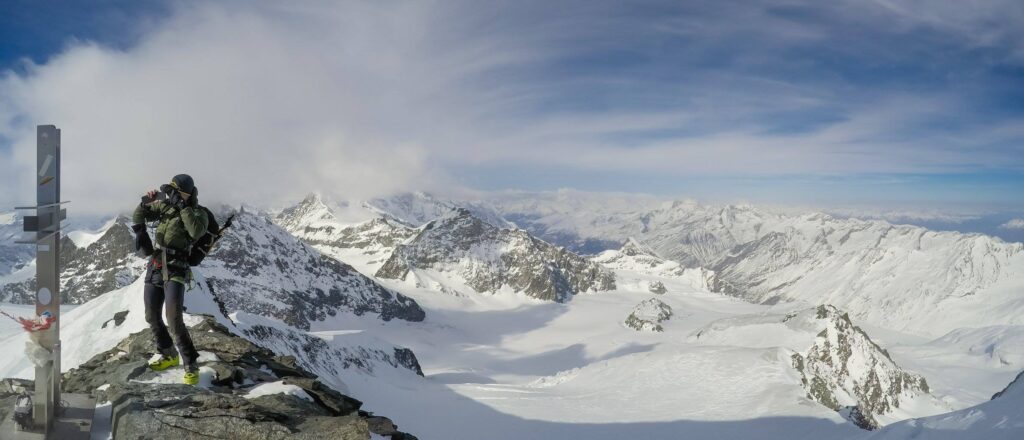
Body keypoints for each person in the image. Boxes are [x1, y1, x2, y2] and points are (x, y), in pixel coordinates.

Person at [131, 174, 209, 385]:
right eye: (171, 190)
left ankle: (190, 363)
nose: (172, 193)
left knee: (174, 320)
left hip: (176, 268)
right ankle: (168, 354)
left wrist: (182, 206)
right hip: (156, 265)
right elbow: (138, 216)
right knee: (151, 315)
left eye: (177, 190)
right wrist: (145, 202)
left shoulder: (198, 213)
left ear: (187, 193)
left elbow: (195, 231)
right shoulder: (164, 207)